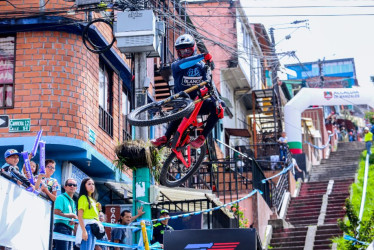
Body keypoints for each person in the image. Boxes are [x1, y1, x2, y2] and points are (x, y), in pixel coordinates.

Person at [151, 34, 224, 149]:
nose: (184, 54)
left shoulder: (203, 67)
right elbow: (185, 63)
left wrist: (217, 102)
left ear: (193, 49)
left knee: (219, 107)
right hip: (182, 102)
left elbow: (210, 85)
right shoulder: (176, 65)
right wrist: (202, 56)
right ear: (177, 53)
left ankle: (201, 138)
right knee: (179, 111)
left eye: (187, 51)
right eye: (181, 52)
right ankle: (165, 137)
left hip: (199, 103)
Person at [76, 177, 103, 250]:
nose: (92, 186)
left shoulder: (93, 200)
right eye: (89, 184)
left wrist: (99, 210)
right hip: (87, 227)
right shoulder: (83, 198)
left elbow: (97, 218)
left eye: (93, 184)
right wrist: (84, 231)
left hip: (93, 228)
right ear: (84, 186)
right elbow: (80, 215)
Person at [53, 178, 78, 250]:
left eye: (74, 185)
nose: (72, 186)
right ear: (65, 187)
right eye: (70, 185)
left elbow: (72, 217)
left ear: (76, 188)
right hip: (61, 228)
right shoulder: (61, 197)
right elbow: (57, 213)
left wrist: (73, 219)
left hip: (69, 230)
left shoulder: (72, 202)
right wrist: (72, 215)